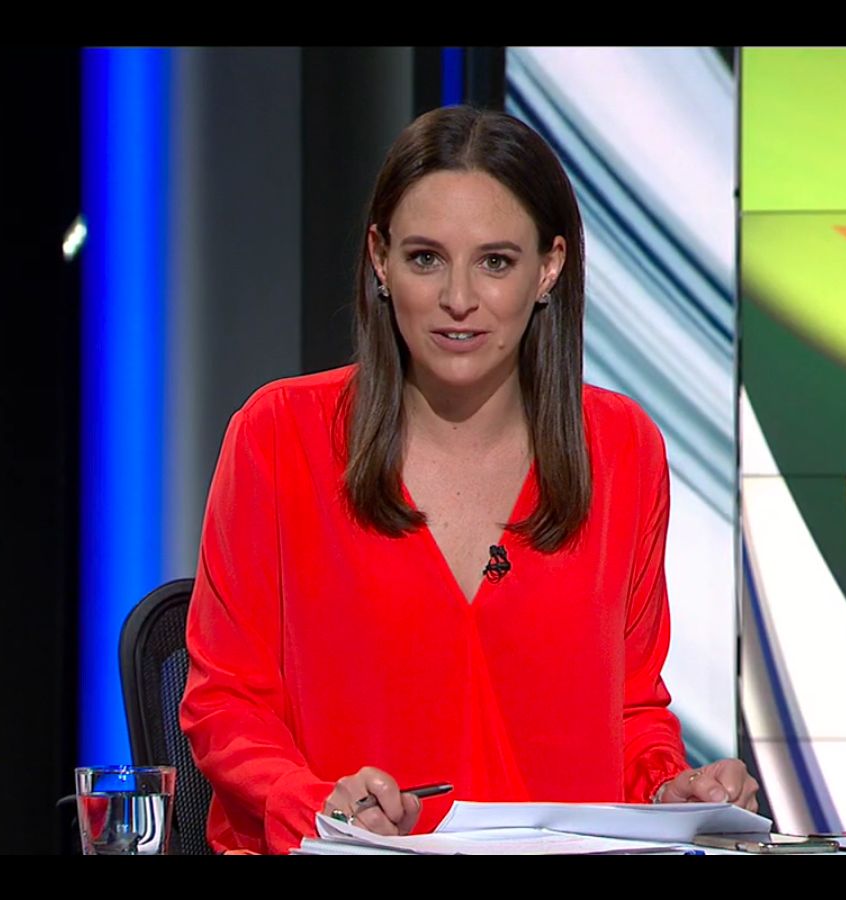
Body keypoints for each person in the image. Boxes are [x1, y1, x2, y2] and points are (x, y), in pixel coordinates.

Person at [180, 104, 758, 855]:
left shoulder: (621, 449)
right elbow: (226, 703)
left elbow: (629, 711)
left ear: (548, 268)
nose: (458, 298)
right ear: (380, 260)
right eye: (426, 258)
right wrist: (317, 805)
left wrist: (667, 789)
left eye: (495, 262)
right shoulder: (279, 436)